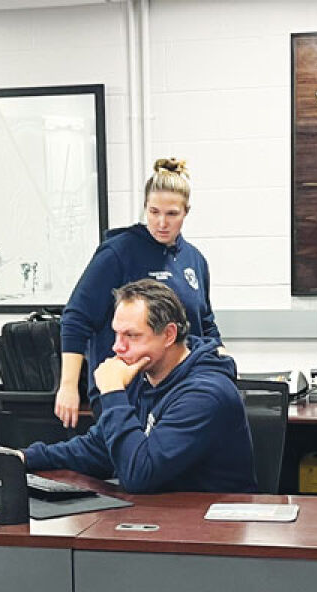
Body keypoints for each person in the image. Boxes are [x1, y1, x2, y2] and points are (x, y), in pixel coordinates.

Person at [25, 279, 256, 494]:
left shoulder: (206, 394)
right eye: (116, 334)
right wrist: (26, 458)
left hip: (207, 519)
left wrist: (113, 392)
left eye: (131, 336)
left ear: (168, 335)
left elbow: (140, 475)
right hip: (159, 512)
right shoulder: (143, 373)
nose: (117, 347)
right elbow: (99, 448)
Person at [55, 158, 223, 428]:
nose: (161, 222)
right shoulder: (118, 252)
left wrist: (223, 367)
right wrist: (68, 386)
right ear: (145, 207)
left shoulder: (195, 260)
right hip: (127, 392)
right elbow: (76, 318)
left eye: (172, 214)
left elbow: (205, 324)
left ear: (186, 212)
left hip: (179, 390)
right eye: (154, 212)